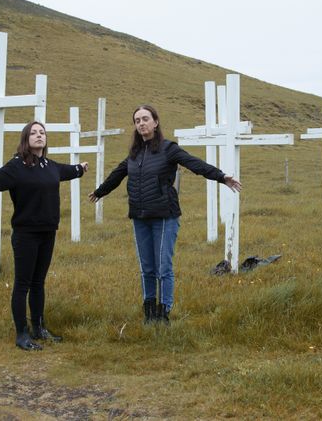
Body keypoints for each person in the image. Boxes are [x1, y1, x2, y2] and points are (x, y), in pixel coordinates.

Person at [88, 105, 241, 324]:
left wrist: (221, 177)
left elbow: (195, 164)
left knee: (163, 266)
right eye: (137, 120)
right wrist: (100, 192)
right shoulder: (134, 154)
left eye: (145, 119)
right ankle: (149, 310)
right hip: (140, 217)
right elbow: (117, 175)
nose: (141, 123)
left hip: (164, 216)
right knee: (147, 267)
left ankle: (164, 311)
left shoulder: (169, 149)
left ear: (155, 122)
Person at [0, 121, 88, 351]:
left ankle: (39, 328)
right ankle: (22, 334)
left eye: (42, 132)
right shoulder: (17, 166)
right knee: (23, 284)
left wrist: (80, 169)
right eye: (33, 133)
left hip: (48, 233)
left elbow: (66, 171)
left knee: (38, 283)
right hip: (26, 235)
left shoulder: (49, 165)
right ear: (26, 139)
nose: (38, 136)